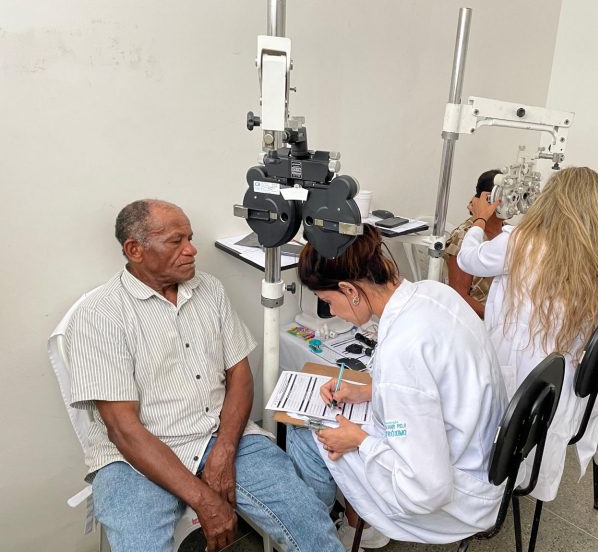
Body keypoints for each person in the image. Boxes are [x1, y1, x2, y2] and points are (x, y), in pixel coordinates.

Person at [66, 199, 343, 552]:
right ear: (135, 250)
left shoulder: (209, 289)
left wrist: (225, 449)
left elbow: (239, 374)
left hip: (219, 433)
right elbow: (124, 430)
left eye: (190, 238)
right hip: (134, 457)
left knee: (309, 521)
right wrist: (205, 500)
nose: (191, 250)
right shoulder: (99, 316)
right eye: (176, 241)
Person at [286, 224, 508, 549]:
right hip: (486, 460)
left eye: (327, 301)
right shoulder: (435, 293)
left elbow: (427, 490)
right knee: (343, 426)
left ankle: (320, 540)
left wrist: (360, 442)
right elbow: (432, 387)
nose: (331, 312)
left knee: (305, 433)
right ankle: (351, 524)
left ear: (349, 289)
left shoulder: (402, 350)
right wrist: (369, 391)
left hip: (457, 496)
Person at [457, 166, 598, 502]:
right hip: (563, 385)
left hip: (521, 386)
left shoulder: (523, 243)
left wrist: (479, 219)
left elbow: (468, 260)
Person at [443, 169, 503, 318]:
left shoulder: (508, 233)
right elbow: (459, 295)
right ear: (489, 199)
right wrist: (495, 318)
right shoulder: (463, 237)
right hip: (477, 319)